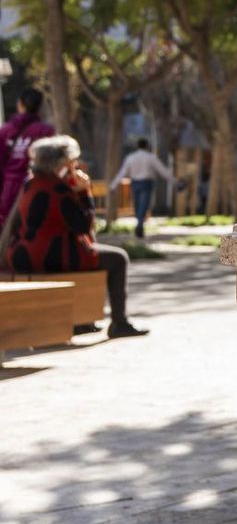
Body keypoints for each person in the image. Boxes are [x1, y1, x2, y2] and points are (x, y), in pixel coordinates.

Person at [5, 135, 146, 340]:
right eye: (72, 161)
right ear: (62, 163)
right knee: (118, 258)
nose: (75, 165)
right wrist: (84, 193)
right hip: (54, 254)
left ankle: (82, 321)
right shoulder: (58, 188)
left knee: (92, 253)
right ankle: (119, 322)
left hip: (23, 253)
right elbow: (84, 226)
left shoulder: (30, 183)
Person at [0, 89, 53, 228]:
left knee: (8, 231)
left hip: (8, 191)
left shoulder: (5, 130)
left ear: (20, 104)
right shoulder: (46, 131)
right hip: (35, 189)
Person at [110, 137, 174, 238]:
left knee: (138, 205)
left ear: (137, 146)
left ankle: (139, 224)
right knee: (143, 205)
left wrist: (113, 185)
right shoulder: (150, 157)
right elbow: (162, 171)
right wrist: (174, 181)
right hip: (146, 183)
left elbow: (122, 172)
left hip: (135, 183)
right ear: (147, 146)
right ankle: (140, 224)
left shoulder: (131, 157)